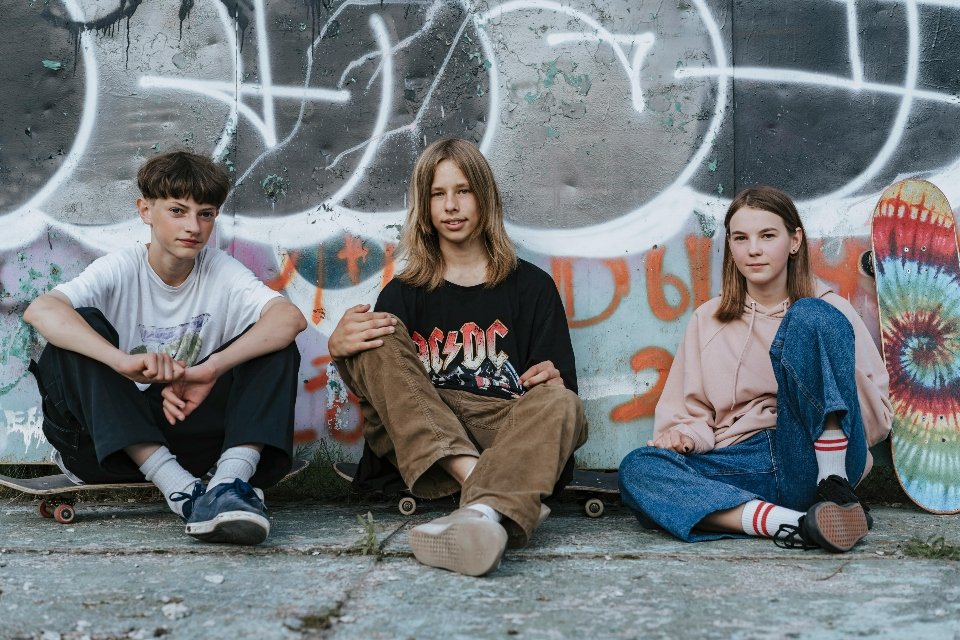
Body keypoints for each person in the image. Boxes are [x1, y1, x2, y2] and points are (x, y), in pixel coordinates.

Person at [328, 138, 587, 576]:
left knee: (564, 405)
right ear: (425, 210)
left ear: (484, 197)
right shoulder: (403, 292)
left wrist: (553, 386)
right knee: (378, 334)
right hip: (419, 426)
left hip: (498, 426)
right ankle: (487, 495)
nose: (451, 205)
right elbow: (387, 384)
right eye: (437, 194)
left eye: (463, 190)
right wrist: (339, 349)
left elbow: (559, 397)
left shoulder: (532, 288)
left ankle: (479, 515)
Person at [24, 151, 307, 545]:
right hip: (105, 447)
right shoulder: (121, 268)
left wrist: (209, 371)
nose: (193, 226)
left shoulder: (221, 270)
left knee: (274, 343)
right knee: (75, 331)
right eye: (178, 210)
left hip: (191, 442)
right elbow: (41, 310)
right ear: (145, 210)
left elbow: (289, 319)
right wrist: (121, 362)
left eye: (205, 214)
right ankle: (183, 492)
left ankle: (226, 487)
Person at [619, 186, 892, 552]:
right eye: (741, 238)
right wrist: (684, 437)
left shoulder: (829, 312)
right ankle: (797, 524)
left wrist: (821, 363)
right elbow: (691, 415)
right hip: (747, 461)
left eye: (767, 236)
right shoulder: (708, 319)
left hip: (815, 450)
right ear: (730, 246)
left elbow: (878, 419)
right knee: (639, 468)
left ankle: (833, 486)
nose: (754, 250)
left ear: (794, 241)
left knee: (808, 315)